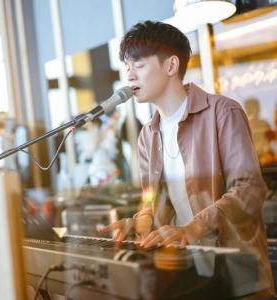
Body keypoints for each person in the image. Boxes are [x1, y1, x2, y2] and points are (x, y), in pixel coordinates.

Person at [98, 21, 274, 296]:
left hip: (236, 275)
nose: (129, 75)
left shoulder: (222, 112)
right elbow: (151, 201)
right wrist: (137, 221)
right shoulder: (148, 135)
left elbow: (249, 189)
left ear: (170, 66)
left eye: (139, 65)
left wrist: (194, 226)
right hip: (185, 274)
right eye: (126, 67)